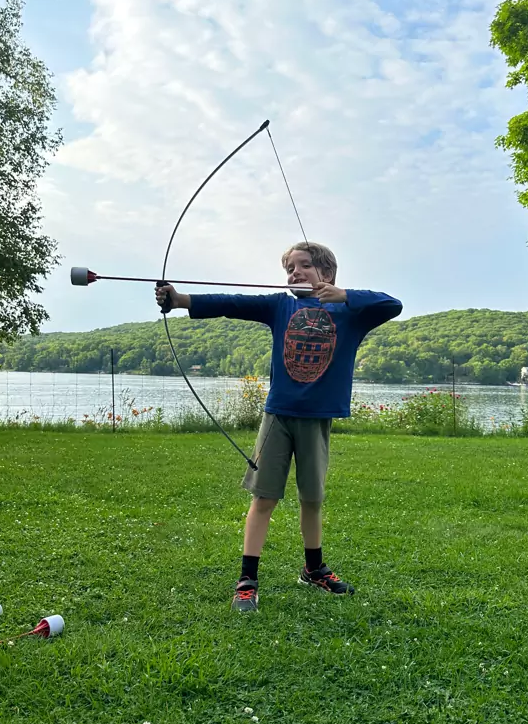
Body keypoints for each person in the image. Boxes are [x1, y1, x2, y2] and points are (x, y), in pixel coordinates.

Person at [155, 242, 402, 612]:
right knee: (264, 497)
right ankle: (247, 580)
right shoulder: (280, 305)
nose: (295, 274)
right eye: (290, 269)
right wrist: (181, 299)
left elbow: (391, 304)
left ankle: (314, 569)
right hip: (278, 416)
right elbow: (232, 304)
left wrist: (343, 295)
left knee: (312, 499)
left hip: (317, 420)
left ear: (327, 274)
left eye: (304, 266)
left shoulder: (352, 312)